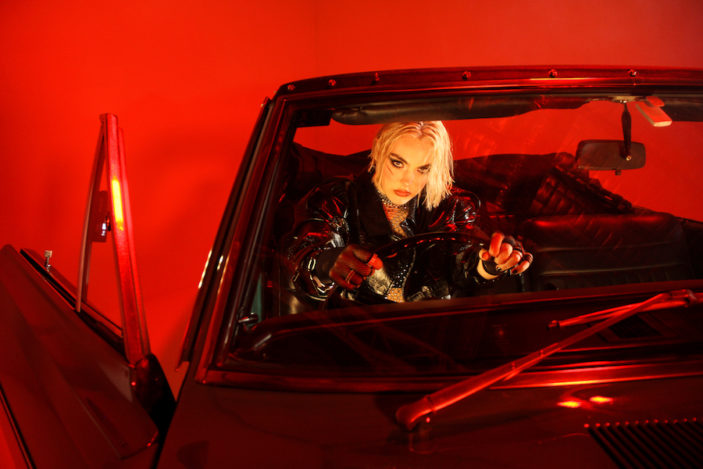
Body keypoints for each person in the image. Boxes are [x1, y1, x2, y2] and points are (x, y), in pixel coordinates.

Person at [284, 121, 532, 304]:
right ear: (379, 151)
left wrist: (491, 262)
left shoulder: (453, 206)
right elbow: (307, 251)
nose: (408, 181)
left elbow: (464, 264)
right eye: (398, 163)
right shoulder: (338, 199)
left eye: (423, 169)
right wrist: (326, 262)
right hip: (356, 333)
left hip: (433, 331)